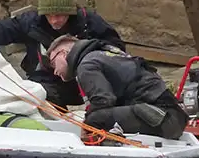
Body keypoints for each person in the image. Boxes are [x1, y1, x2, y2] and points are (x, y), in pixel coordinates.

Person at [46, 34, 188, 140]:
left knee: (94, 120)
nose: (54, 71)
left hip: (163, 119)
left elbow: (103, 101)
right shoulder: (105, 54)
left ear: (63, 54)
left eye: (53, 63)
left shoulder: (86, 65)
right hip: (171, 117)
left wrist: (85, 127)